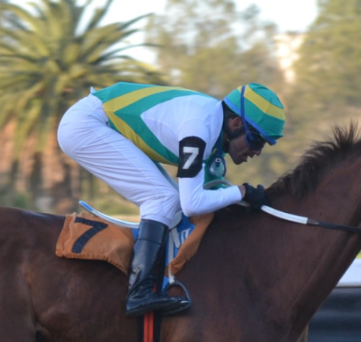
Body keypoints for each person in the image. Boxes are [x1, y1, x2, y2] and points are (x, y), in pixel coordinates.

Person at [57, 82, 285, 317]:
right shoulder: (198, 129)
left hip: (99, 122)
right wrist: (243, 192)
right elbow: (193, 203)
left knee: (171, 202)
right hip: (85, 125)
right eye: (257, 141)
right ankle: (140, 292)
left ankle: (155, 278)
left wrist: (241, 201)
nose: (257, 152)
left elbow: (205, 197)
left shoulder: (213, 129)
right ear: (236, 123)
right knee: (162, 198)